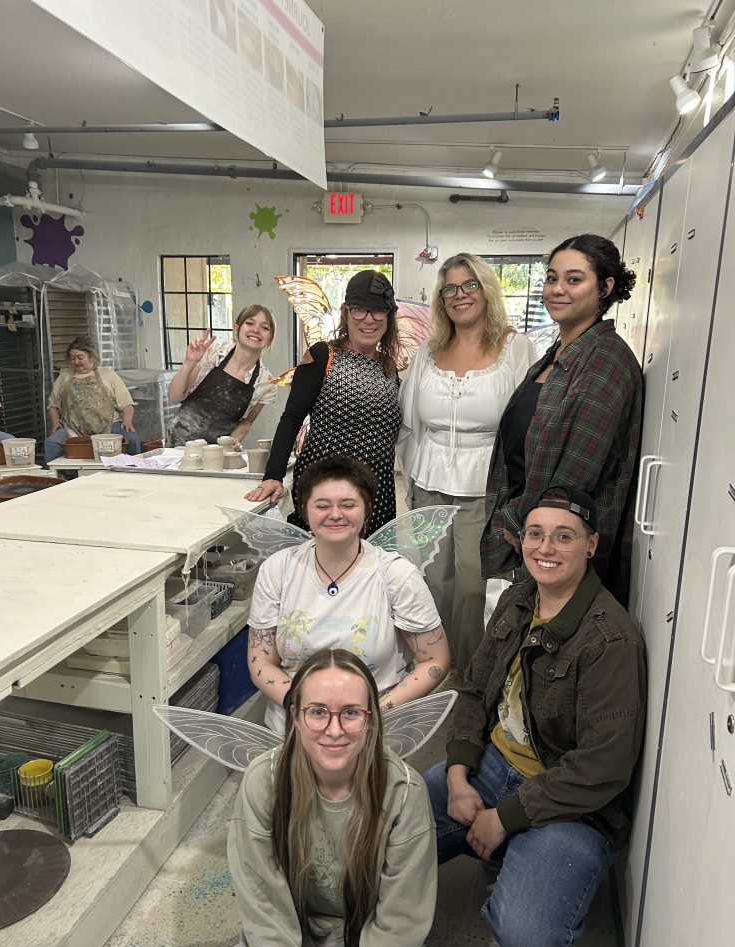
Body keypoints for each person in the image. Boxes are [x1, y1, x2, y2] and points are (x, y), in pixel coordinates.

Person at [171, 647, 488, 947]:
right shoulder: (263, 782)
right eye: (318, 711)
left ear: (371, 719)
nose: (334, 730)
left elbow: (401, 923)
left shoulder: (404, 792)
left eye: (351, 713)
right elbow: (265, 913)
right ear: (295, 716)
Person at [424, 487, 647, 947]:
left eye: (564, 536)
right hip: (492, 766)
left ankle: (517, 850)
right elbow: (474, 690)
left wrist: (506, 818)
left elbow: (602, 768)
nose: (546, 548)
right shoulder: (517, 599)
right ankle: (505, 847)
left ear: (591, 544)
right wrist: (459, 776)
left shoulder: (610, 640)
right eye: (535, 534)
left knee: (530, 940)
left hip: (571, 806)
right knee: (382, 830)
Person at [481, 234, 643, 607]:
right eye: (552, 278)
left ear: (605, 287)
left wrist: (518, 522)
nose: (557, 289)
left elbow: (574, 478)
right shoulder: (557, 353)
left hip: (559, 543)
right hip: (532, 530)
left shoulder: (606, 360)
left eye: (574, 279)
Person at [398, 253, 534, 673]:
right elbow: (409, 421)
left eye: (469, 284)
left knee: (475, 585)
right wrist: (408, 481)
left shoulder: (515, 348)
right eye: (450, 289)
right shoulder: (429, 351)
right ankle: (434, 667)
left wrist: (522, 494)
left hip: (486, 485)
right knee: (433, 580)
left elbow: (529, 422)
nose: (460, 295)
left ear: (486, 289)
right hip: (430, 480)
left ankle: (471, 675)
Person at [247, 456, 450, 733]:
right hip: (293, 726)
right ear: (304, 510)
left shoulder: (396, 575)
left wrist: (372, 713)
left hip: (375, 726)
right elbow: (261, 660)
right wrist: (306, 710)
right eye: (322, 505)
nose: (335, 514)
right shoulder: (277, 569)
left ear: (366, 510)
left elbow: (435, 660)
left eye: (348, 505)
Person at [244, 270, 402, 534]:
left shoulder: (388, 367)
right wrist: (273, 475)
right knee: (321, 559)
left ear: (389, 316)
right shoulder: (323, 356)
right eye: (359, 310)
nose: (369, 319)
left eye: (378, 311)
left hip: (378, 492)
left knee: (371, 559)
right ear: (345, 312)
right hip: (327, 493)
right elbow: (292, 418)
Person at [166, 305, 277, 447]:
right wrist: (189, 363)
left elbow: (247, 422)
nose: (255, 330)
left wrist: (233, 442)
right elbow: (174, 397)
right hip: (176, 446)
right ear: (236, 329)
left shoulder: (267, 383)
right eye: (250, 323)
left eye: (265, 327)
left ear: (270, 339)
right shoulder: (213, 353)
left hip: (216, 452)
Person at [44, 337, 141, 462]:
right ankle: (60, 474)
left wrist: (127, 420)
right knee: (51, 443)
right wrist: (55, 422)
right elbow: (53, 405)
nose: (76, 362)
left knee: (132, 440)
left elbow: (126, 403)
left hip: (110, 425)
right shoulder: (64, 377)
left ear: (91, 357)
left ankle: (136, 469)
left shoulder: (108, 374)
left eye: (80, 357)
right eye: (72, 358)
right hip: (72, 428)